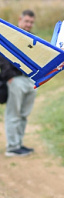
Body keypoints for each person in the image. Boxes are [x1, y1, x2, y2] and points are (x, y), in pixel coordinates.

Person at [0, 10, 37, 157]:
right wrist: (9, 77)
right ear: (20, 19)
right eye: (27, 21)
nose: (29, 25)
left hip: (30, 80)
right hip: (15, 79)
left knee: (24, 114)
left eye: (31, 22)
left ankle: (19, 144)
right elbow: (2, 56)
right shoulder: (10, 36)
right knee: (13, 113)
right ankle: (12, 147)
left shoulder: (31, 39)